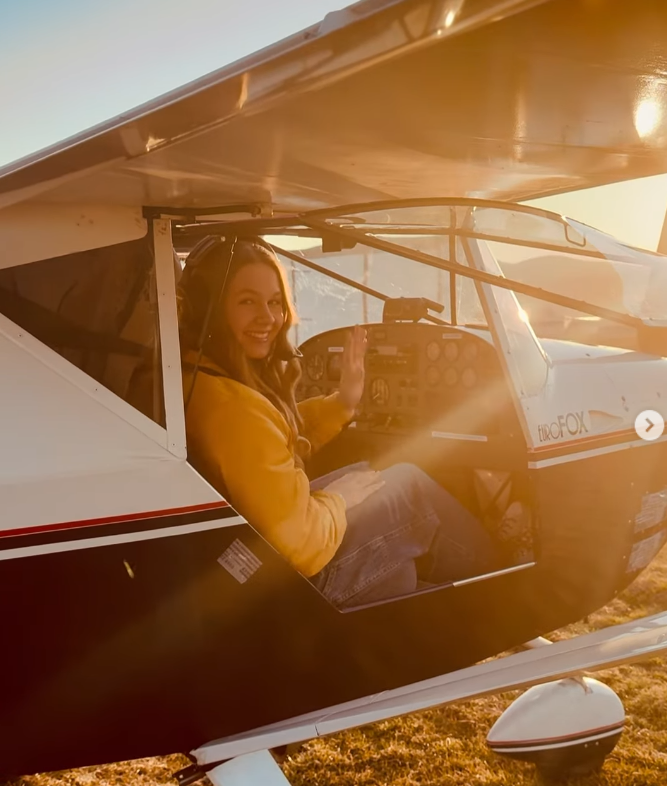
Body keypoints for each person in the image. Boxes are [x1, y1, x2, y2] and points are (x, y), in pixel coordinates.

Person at [177, 236, 500, 609]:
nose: (267, 318)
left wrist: (342, 404)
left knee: (370, 474)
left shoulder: (197, 377)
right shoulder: (235, 411)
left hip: (243, 562)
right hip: (287, 587)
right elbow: (302, 547)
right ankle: (496, 587)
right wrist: (340, 497)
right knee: (409, 488)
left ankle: (410, 585)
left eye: (275, 302)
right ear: (211, 311)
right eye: (247, 301)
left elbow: (271, 442)